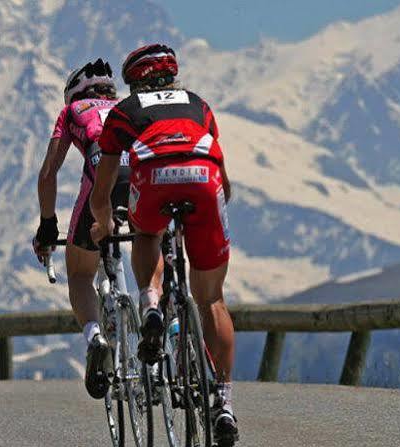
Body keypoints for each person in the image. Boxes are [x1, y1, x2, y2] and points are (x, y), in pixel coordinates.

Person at [89, 44, 239, 445]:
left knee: (147, 232)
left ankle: (151, 303)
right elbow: (224, 181)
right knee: (212, 299)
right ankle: (224, 403)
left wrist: (102, 226)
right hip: (204, 177)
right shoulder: (199, 105)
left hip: (153, 178)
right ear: (174, 76)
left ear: (133, 81)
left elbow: (102, 192)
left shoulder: (124, 111)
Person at [33, 58, 156, 400]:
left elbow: (48, 175)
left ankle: (95, 338)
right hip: (144, 181)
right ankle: (156, 309)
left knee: (81, 274)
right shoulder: (130, 105)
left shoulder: (73, 111)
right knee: (151, 242)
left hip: (102, 181)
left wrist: (47, 226)